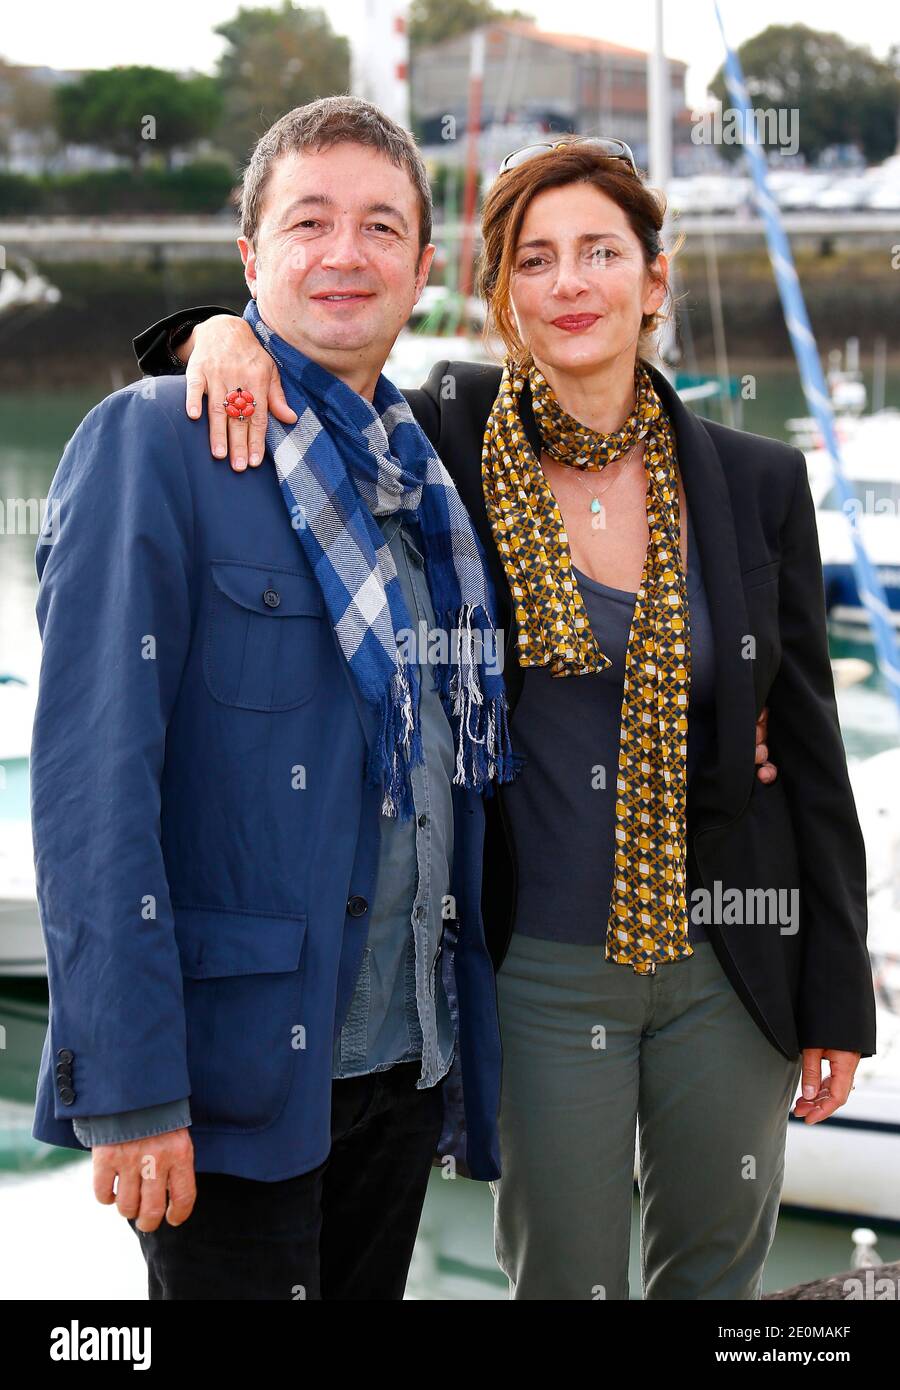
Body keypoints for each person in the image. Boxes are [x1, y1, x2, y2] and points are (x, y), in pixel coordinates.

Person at [139, 133, 877, 1302]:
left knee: (718, 1275)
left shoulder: (754, 481)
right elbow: (314, 352)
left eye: (600, 252)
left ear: (654, 280)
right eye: (537, 259)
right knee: (562, 1277)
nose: (571, 282)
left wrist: (836, 992)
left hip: (731, 957)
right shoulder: (443, 441)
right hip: (538, 960)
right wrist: (213, 330)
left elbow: (817, 762)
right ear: (502, 295)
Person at [29, 95, 517, 1302]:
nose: (345, 254)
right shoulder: (155, 445)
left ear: (422, 268)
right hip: (231, 1076)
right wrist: (132, 1090)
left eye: (379, 227)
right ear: (251, 257)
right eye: (310, 222)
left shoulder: (422, 473)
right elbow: (93, 786)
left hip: (405, 1063)